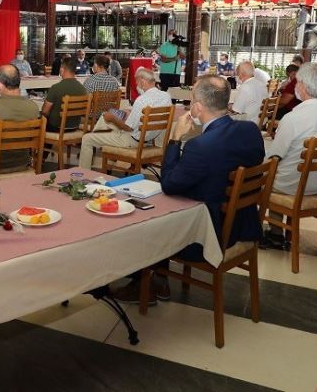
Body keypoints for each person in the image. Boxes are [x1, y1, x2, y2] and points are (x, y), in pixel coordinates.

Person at [113, 75, 265, 303]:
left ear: (198, 107)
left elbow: (169, 184)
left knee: (147, 222)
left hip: (208, 236)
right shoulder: (250, 130)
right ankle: (159, 281)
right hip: (243, 225)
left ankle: (144, 285)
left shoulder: (200, 146)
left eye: (192, 99)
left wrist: (175, 139)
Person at [263, 63, 317, 249]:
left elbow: (274, 157)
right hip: (314, 185)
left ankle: (275, 234)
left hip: (289, 187)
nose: (296, 86)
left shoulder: (293, 118)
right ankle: (282, 232)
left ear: (303, 86)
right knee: (284, 170)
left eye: (297, 82)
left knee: (256, 180)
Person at [79, 68, 171, 169]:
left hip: (133, 141)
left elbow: (128, 128)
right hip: (149, 139)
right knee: (110, 115)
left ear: (142, 81)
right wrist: (127, 113)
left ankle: (84, 173)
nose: (136, 84)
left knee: (87, 138)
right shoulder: (166, 96)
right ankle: (102, 140)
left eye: (136, 81)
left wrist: (113, 119)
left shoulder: (141, 100)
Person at [42, 57, 87, 132]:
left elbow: (44, 111)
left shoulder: (56, 88)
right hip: (75, 126)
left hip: (57, 127)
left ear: (62, 70)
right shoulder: (83, 89)